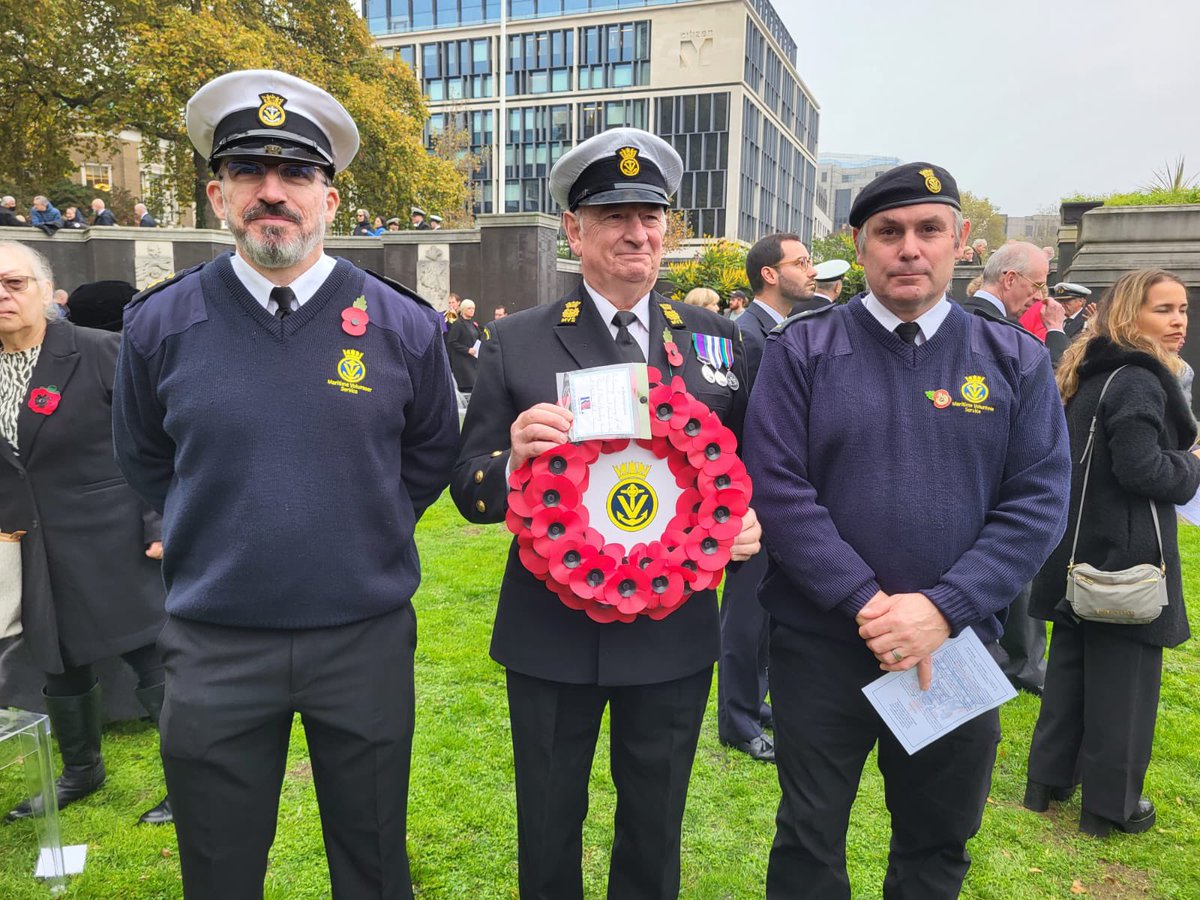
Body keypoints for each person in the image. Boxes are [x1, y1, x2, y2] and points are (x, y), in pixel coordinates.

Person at [112, 69, 459, 898]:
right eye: (249, 174)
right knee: (220, 870)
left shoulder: (402, 323)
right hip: (215, 640)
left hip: (362, 637)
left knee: (373, 864)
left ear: (330, 199)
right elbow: (145, 457)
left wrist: (352, 521)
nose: (274, 193)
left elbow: (428, 455)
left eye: (297, 174)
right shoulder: (159, 323)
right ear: (217, 193)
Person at [744, 162, 1070, 898]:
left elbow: (1038, 500)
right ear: (861, 246)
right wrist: (865, 601)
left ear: (962, 244)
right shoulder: (803, 350)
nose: (909, 249)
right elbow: (780, 488)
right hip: (821, 644)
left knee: (937, 841)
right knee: (808, 837)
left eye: (929, 230)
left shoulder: (1012, 360)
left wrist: (941, 609)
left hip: (951, 648)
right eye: (889, 233)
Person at [450, 126, 761, 899]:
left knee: (656, 820)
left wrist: (754, 524)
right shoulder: (520, 341)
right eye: (614, 214)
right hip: (551, 633)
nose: (637, 232)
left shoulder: (717, 341)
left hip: (673, 630)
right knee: (549, 817)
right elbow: (468, 484)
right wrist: (513, 460)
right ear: (574, 229)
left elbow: (756, 470)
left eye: (651, 215)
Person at [0, 241, 171, 825]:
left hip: (114, 535)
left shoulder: (101, 352)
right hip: (30, 543)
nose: (3, 296)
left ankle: (190, 777)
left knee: (152, 658)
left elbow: (158, 439)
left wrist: (160, 519)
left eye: (14, 283)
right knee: (57, 659)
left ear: (47, 293)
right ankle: (81, 770)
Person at [1025, 269, 1199, 837]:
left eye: (1182, 309)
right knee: (1126, 687)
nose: (1178, 321)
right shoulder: (1141, 379)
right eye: (1163, 310)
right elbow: (1143, 469)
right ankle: (1110, 808)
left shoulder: (1092, 368)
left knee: (1072, 674)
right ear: (1131, 315)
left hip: (1079, 547)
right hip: (1126, 557)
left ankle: (1047, 784)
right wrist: (1193, 464)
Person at [716, 231, 817, 765]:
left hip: (783, 493)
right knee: (745, 618)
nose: (812, 271)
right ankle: (737, 720)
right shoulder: (742, 336)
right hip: (749, 499)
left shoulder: (788, 331)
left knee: (771, 613)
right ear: (771, 274)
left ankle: (756, 702)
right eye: (801, 263)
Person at [446, 297, 483, 393]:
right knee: (468, 388)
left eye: (473, 308)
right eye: (469, 308)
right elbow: (452, 342)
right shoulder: (458, 324)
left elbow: (479, 337)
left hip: (473, 361)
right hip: (463, 363)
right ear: (463, 309)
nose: (472, 311)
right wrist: (467, 350)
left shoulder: (473, 324)